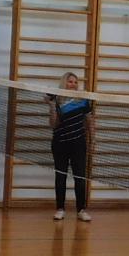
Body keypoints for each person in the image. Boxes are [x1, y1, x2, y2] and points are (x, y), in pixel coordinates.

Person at [48, 71, 94, 222]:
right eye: (70, 81)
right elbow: (53, 124)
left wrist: (93, 140)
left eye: (75, 82)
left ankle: (81, 210)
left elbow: (90, 121)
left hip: (79, 144)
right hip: (60, 144)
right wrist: (52, 106)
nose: (73, 84)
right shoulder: (57, 100)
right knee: (60, 177)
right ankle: (60, 209)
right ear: (64, 83)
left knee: (80, 177)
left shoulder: (83, 100)